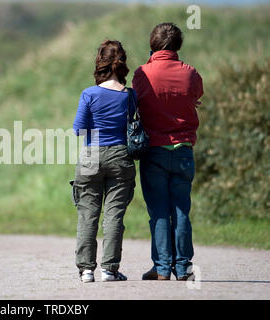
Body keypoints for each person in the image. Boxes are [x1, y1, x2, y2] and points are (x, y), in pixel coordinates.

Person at [132, 23, 204, 281]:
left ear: (153, 44)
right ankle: (183, 268)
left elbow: (136, 103)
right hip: (183, 150)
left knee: (159, 211)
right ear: (178, 45)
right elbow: (196, 96)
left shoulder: (142, 74)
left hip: (154, 151)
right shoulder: (190, 74)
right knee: (181, 210)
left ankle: (162, 267)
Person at [72, 40, 136, 283]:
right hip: (121, 155)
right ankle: (109, 269)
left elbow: (79, 130)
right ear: (122, 64)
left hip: (91, 155)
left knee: (88, 214)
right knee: (114, 215)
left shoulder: (89, 94)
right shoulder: (130, 96)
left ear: (100, 62)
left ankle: (86, 270)